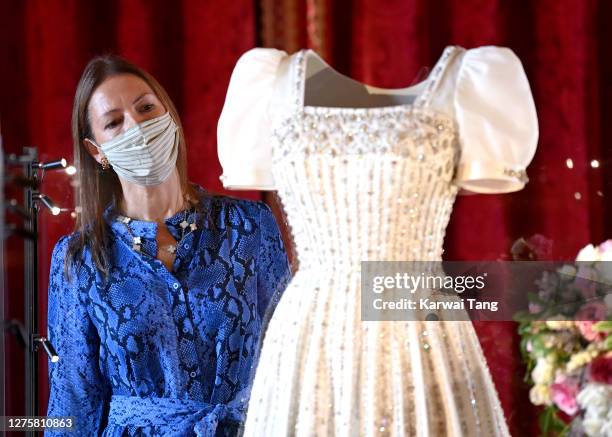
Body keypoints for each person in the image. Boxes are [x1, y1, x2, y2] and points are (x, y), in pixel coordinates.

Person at [44, 54, 292, 437]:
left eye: (145, 108)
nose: (137, 127)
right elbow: (74, 400)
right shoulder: (78, 260)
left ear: (169, 115)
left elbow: (289, 357)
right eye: (114, 122)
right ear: (98, 152)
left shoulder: (251, 225)